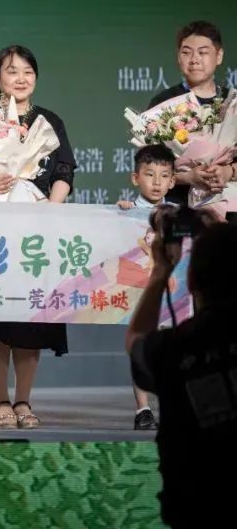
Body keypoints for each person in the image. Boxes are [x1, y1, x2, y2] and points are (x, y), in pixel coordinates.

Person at [0, 45, 76, 429]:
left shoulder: (49, 121)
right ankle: (0, 400)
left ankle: (23, 400)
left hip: (36, 233)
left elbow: (64, 173)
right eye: (11, 71)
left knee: (30, 318)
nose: (20, 78)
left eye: (27, 72)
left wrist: (50, 210)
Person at [126, 213, 237, 529]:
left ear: (191, 281)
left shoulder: (175, 348)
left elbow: (136, 342)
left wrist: (161, 271)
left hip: (197, 509)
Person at [116, 144, 179, 431]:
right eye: (149, 174)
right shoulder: (127, 211)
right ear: (135, 178)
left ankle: (171, 405)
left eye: (164, 176)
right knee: (140, 346)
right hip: (138, 289)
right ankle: (142, 409)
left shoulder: (178, 214)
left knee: (171, 349)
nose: (156, 182)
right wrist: (120, 213)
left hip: (170, 291)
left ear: (172, 181)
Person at [147, 21, 233, 206]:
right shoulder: (163, 104)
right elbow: (147, 166)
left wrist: (229, 171)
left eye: (203, 52)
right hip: (177, 208)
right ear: (178, 57)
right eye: (186, 52)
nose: (194, 59)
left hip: (230, 208)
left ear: (219, 56)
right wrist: (187, 177)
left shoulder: (232, 103)